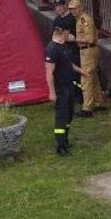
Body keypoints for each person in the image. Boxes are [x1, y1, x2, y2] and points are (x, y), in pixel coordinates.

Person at [43, 24, 90, 156]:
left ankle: (66, 140)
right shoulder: (52, 49)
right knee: (61, 116)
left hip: (69, 85)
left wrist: (82, 72)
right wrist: (52, 92)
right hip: (60, 87)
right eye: (68, 31)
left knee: (69, 114)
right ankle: (60, 146)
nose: (70, 34)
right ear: (63, 32)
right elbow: (49, 72)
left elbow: (69, 64)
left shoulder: (64, 47)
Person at [68, 0, 100, 116]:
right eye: (71, 9)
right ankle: (98, 102)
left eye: (74, 8)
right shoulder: (80, 20)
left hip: (88, 50)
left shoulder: (84, 20)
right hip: (86, 50)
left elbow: (90, 39)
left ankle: (87, 108)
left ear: (81, 8)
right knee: (93, 77)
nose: (73, 11)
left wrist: (74, 39)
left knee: (86, 77)